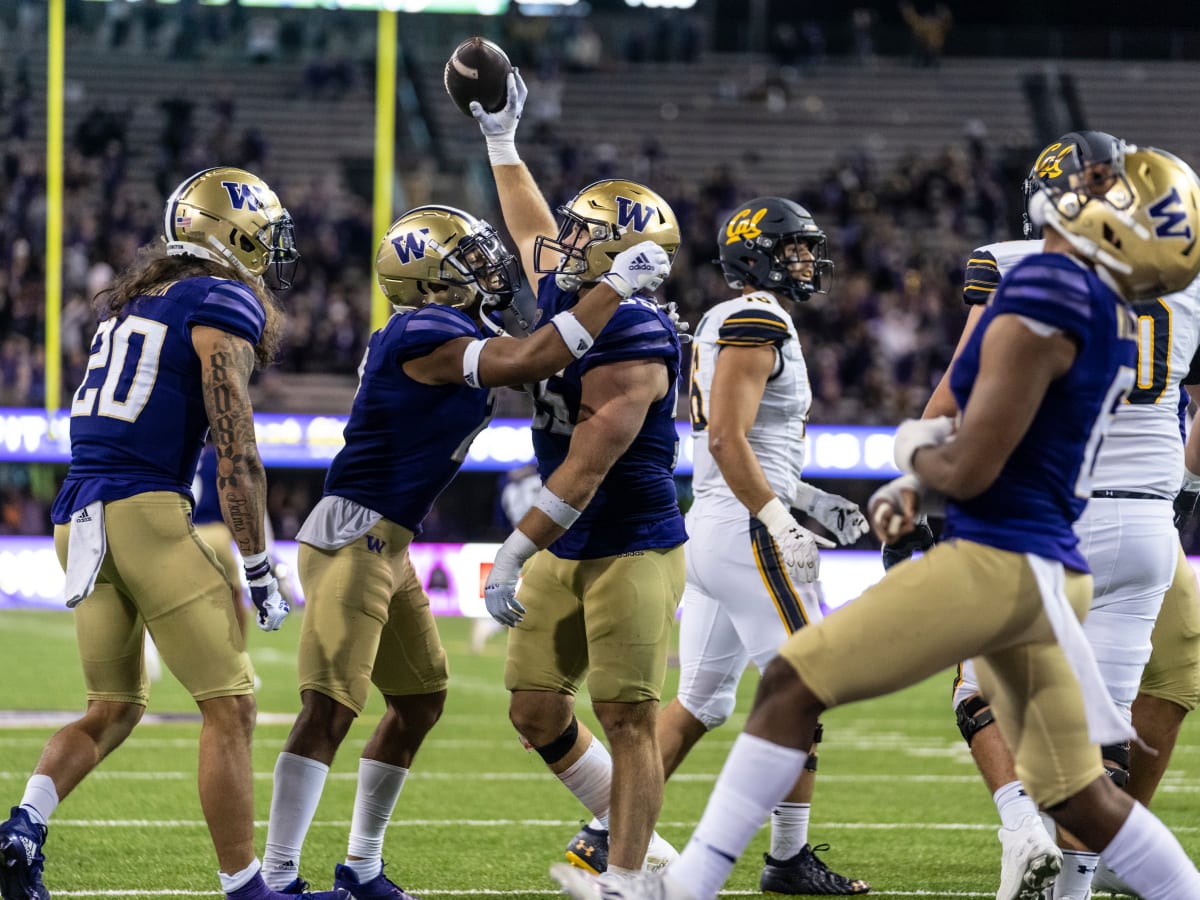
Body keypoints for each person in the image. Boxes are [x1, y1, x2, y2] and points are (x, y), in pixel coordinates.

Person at [548, 145, 1200, 900]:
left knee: (794, 683)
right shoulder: (1133, 307)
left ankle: (676, 887)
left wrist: (913, 477)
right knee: (1084, 787)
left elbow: (971, 455)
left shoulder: (1043, 292)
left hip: (1007, 558)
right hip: (1089, 553)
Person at [259, 204, 671, 900]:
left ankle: (361, 869)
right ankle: (274, 877)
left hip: (389, 544)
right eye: (467, 259)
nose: (487, 265)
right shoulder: (423, 330)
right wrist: (614, 290)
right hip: (352, 535)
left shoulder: (451, 325)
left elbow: (547, 350)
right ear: (427, 279)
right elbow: (536, 356)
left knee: (420, 701)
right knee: (329, 708)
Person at [0, 166, 342, 900]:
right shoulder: (219, 298)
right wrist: (257, 562)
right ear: (232, 233)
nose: (271, 253)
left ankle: (22, 827)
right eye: (263, 236)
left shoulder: (135, 303)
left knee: (113, 707)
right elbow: (237, 450)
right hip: (144, 515)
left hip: (78, 519)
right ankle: (247, 887)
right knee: (232, 705)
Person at [559, 198, 869, 895]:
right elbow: (728, 439)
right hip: (741, 531)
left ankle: (607, 832)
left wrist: (810, 503)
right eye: (793, 248)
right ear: (756, 256)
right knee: (805, 685)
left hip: (717, 528)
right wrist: (780, 520)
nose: (805, 261)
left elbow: (749, 444)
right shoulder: (758, 318)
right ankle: (785, 858)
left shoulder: (734, 320)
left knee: (702, 700)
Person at [921, 132, 1200, 899]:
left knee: (974, 682)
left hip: (1050, 519)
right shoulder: (1187, 276)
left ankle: (1019, 829)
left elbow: (954, 401)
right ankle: (1075, 885)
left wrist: (921, 491)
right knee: (1093, 755)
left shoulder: (1018, 264)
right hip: (1148, 526)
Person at [471, 72, 687, 884]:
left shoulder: (634, 335)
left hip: (628, 542)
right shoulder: (586, 296)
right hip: (571, 539)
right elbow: (528, 225)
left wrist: (511, 551)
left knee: (629, 719)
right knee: (534, 706)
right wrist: (500, 142)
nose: (559, 243)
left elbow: (590, 465)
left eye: (579, 234)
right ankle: (643, 841)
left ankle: (627, 877)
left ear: (617, 257)